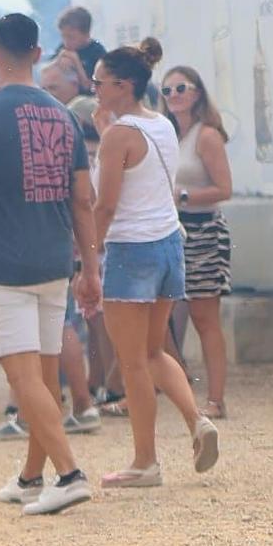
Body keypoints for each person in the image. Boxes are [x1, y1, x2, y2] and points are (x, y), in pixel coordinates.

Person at [0, 14, 100, 516]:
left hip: (5, 265)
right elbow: (83, 198)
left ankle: (70, 474)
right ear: (36, 53)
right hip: (55, 260)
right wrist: (89, 267)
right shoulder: (65, 115)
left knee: (23, 380)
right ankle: (32, 476)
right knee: (44, 377)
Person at [91, 42, 219, 488]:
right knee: (154, 351)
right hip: (168, 245)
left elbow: (105, 206)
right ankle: (197, 420)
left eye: (98, 82)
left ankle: (145, 461)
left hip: (131, 249)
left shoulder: (116, 136)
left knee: (132, 363)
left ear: (122, 86)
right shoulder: (159, 123)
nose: (94, 88)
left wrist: (87, 258)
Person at [162, 65, 234, 418]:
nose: (174, 96)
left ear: (196, 93)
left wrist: (184, 195)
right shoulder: (166, 134)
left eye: (181, 88)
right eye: (167, 90)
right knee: (165, 316)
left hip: (204, 231)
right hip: (171, 231)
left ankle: (216, 399)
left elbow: (225, 189)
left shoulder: (206, 136)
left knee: (206, 317)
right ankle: (183, 390)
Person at [55, 5, 107, 81]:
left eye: (71, 37)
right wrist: (57, 62)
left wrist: (77, 63)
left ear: (86, 34)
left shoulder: (98, 52)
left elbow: (91, 88)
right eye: (63, 37)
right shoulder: (62, 48)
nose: (66, 42)